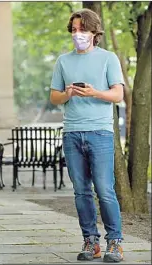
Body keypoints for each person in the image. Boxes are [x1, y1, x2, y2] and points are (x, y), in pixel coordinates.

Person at [49, 9, 124, 263]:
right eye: (74, 30)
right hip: (72, 133)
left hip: (100, 133)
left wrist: (94, 93)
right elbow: (54, 97)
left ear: (94, 32)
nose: (77, 34)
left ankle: (115, 242)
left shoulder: (108, 58)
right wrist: (69, 93)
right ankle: (91, 241)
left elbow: (117, 95)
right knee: (81, 191)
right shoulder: (63, 61)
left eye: (82, 30)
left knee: (104, 189)